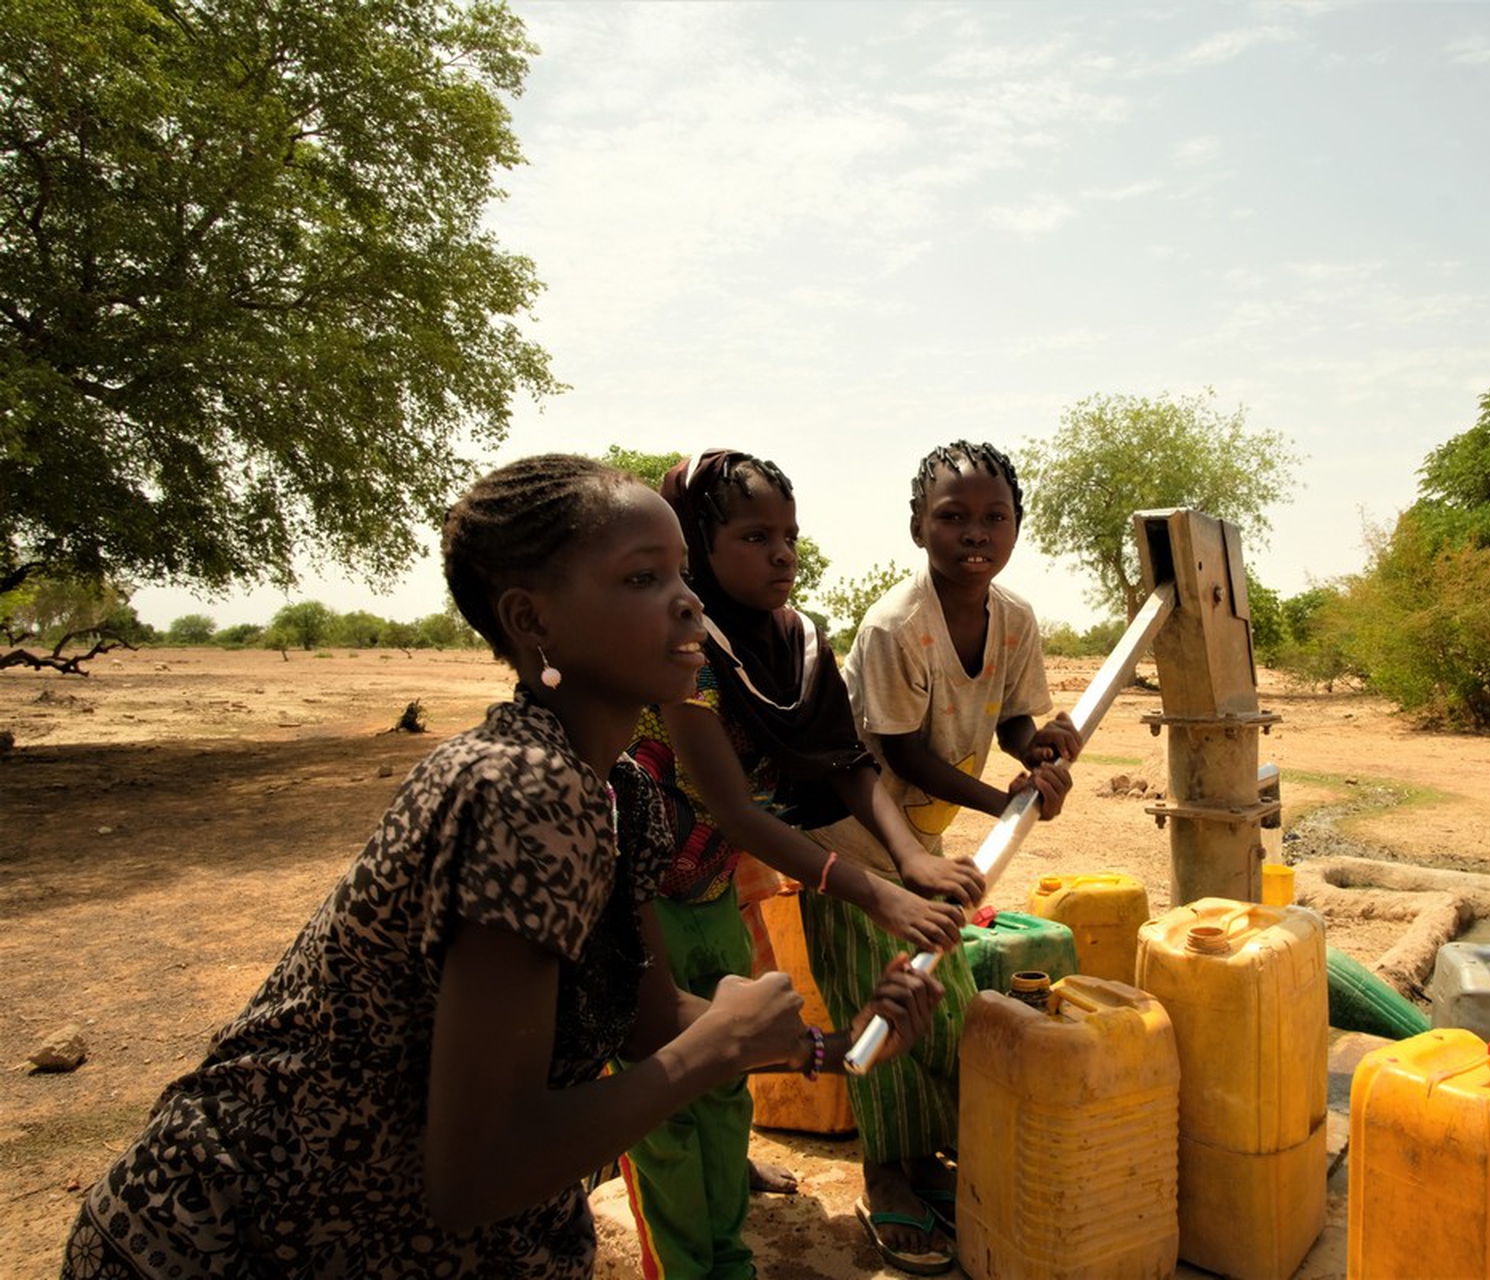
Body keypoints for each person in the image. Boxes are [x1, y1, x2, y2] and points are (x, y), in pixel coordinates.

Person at [61, 455, 942, 1280]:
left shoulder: (624, 798)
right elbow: (479, 1173)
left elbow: (652, 1023)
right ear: (531, 621)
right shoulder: (517, 790)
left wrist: (842, 1045)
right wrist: (718, 1047)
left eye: (681, 576)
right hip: (233, 1238)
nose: (687, 606)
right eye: (643, 579)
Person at [614, 449, 987, 1278]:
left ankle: (728, 1219)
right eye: (753, 536)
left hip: (713, 891)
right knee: (666, 1106)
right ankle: (685, 1260)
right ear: (693, 549)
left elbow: (846, 764)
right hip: (643, 903)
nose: (782, 553)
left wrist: (908, 860)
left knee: (723, 1072)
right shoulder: (686, 657)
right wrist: (881, 900)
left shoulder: (797, 645)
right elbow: (734, 808)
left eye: (789, 534)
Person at [802, 440, 1079, 1275]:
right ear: (917, 526)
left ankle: (926, 1157)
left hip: (921, 843)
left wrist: (1040, 756)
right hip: (852, 837)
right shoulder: (895, 626)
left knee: (941, 998)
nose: (975, 533)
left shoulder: (1017, 620)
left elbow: (1013, 723)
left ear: (1018, 526)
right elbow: (900, 754)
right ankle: (888, 1174)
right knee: (881, 991)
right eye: (952, 517)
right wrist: (1005, 802)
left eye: (995, 517)